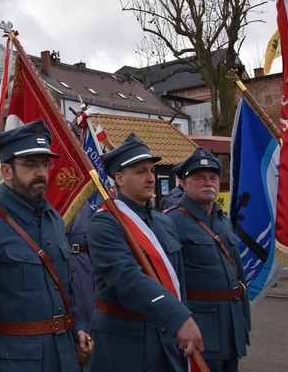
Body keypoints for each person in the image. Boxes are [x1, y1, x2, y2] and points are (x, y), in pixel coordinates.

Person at [0, 119, 91, 371]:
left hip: (63, 358)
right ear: (6, 172)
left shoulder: (54, 220)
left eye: (44, 164)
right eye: (30, 164)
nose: (40, 172)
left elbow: (65, 292)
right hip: (15, 363)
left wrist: (78, 325)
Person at [87, 134, 203, 371]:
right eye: (141, 172)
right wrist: (177, 317)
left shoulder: (164, 222)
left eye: (152, 170)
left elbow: (176, 280)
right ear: (119, 178)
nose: (151, 178)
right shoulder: (104, 224)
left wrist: (181, 315)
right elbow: (126, 278)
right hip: (126, 344)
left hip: (167, 337)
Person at [165, 147, 250, 372]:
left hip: (231, 324)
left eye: (213, 178)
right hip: (200, 326)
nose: (208, 183)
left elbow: (237, 271)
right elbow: (166, 282)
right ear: (184, 183)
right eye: (200, 178)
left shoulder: (222, 219)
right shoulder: (171, 221)